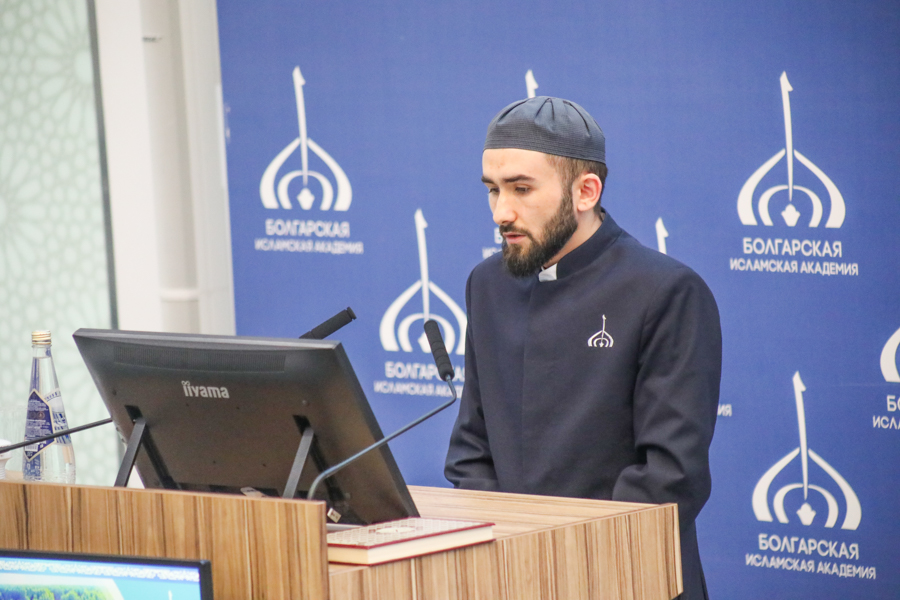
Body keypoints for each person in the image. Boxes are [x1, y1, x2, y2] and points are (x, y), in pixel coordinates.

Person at [445, 96, 722, 600]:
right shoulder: (487, 284)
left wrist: (567, 564)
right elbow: (471, 450)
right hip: (512, 577)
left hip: (625, 577)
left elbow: (669, 477)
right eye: (492, 190)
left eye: (521, 189)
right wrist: (506, 558)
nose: (502, 212)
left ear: (586, 191)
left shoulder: (665, 291)